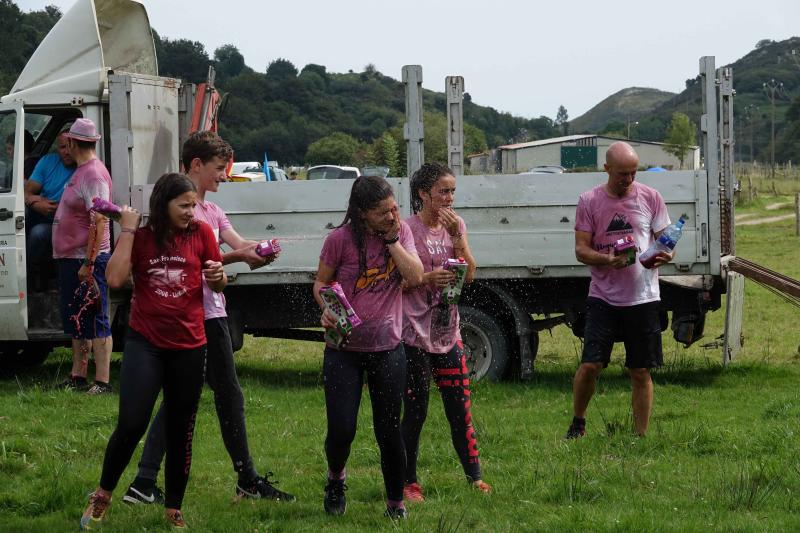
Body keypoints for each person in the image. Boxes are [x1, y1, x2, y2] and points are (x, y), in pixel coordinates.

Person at [122, 131, 294, 506]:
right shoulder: (179, 210)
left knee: (191, 398)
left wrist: (261, 251)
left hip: (212, 312)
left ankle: (144, 482)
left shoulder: (213, 211)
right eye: (218, 169)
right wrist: (237, 258)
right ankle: (242, 479)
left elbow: (234, 245)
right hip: (192, 316)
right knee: (223, 397)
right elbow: (188, 262)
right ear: (196, 165)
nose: (222, 176)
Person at [80, 173, 226, 530]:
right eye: (185, 205)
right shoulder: (141, 238)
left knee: (181, 429)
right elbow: (114, 280)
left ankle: (173, 508)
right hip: (146, 343)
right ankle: (103, 493)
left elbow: (218, 281)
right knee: (131, 423)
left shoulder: (202, 234)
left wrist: (218, 276)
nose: (192, 212)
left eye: (194, 205)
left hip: (190, 345)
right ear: (163, 205)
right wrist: (127, 230)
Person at [313, 175, 423, 519]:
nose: (392, 216)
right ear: (361, 213)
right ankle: (335, 479)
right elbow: (320, 283)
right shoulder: (339, 240)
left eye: (394, 208)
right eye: (382, 213)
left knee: (389, 430)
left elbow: (416, 276)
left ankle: (395, 504)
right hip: (343, 350)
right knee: (342, 429)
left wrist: (392, 241)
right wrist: (327, 308)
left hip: (388, 347)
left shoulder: (400, 232)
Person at [566, 141, 673, 439]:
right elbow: (580, 250)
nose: (628, 179)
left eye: (633, 173)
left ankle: (640, 436)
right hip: (603, 296)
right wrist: (607, 260)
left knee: (640, 371)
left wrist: (667, 254)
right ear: (607, 169)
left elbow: (666, 241)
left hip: (643, 297)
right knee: (590, 365)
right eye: (622, 174)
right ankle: (578, 423)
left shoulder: (651, 197)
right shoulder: (589, 201)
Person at [400, 162, 491, 502]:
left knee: (460, 409)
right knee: (417, 411)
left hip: (447, 332)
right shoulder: (407, 229)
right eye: (443, 191)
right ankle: (409, 483)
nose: (450, 198)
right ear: (424, 194)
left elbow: (470, 274)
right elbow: (400, 278)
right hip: (412, 335)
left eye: (452, 191)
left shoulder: (456, 225)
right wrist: (426, 278)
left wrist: (456, 238)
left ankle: (475, 477)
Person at [52, 119, 113, 394]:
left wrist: (89, 262)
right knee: (77, 317)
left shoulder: (93, 174)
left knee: (96, 317)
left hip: (86, 259)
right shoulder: (82, 171)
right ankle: (78, 375)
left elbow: (99, 220)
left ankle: (102, 381)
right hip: (72, 258)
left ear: (74, 143)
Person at [25, 130, 76, 269]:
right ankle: (24, 274)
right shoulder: (48, 161)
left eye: (70, 146)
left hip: (67, 222)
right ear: (57, 148)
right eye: (62, 147)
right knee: (22, 213)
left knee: (38, 233)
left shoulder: (83, 168)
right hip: (43, 212)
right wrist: (36, 203)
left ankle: (32, 271)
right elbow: (26, 192)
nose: (67, 152)